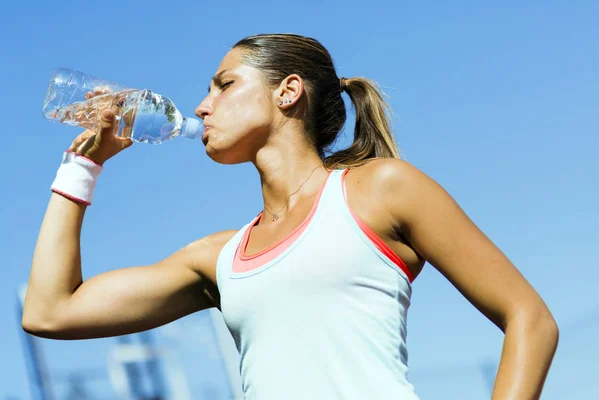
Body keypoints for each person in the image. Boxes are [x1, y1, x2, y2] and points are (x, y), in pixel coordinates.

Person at [22, 34, 558, 399]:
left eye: (224, 84)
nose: (202, 106)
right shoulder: (218, 258)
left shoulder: (382, 189)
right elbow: (49, 312)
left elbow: (530, 320)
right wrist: (82, 164)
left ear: (288, 91)